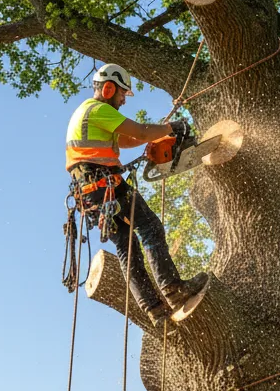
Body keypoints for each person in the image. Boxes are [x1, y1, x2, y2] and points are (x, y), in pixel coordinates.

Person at [65, 62, 199, 326]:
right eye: (122, 94)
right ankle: (172, 288)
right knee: (149, 227)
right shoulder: (98, 109)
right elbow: (138, 131)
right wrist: (172, 127)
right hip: (107, 188)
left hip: (91, 195)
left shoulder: (85, 113)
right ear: (108, 89)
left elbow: (129, 139)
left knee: (126, 247)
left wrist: (153, 139)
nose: (124, 100)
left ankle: (154, 309)